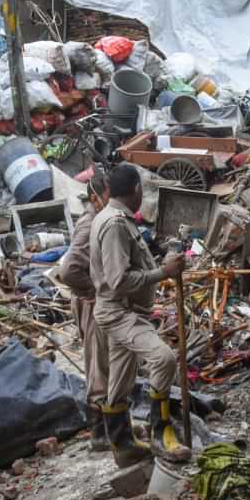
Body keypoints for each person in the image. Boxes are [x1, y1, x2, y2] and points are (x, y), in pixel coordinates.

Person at [89, 163, 188, 467]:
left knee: (120, 379)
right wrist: (163, 272)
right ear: (135, 190)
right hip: (120, 311)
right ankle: (162, 434)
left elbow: (129, 267)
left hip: (119, 309)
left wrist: (163, 260)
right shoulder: (116, 224)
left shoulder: (113, 218)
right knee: (164, 358)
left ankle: (124, 445)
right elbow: (118, 280)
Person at [59, 174, 111, 452]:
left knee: (106, 364)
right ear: (96, 197)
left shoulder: (99, 220)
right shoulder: (90, 223)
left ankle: (113, 427)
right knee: (98, 366)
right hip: (93, 304)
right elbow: (69, 270)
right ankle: (100, 433)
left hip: (96, 301)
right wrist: (96, 291)